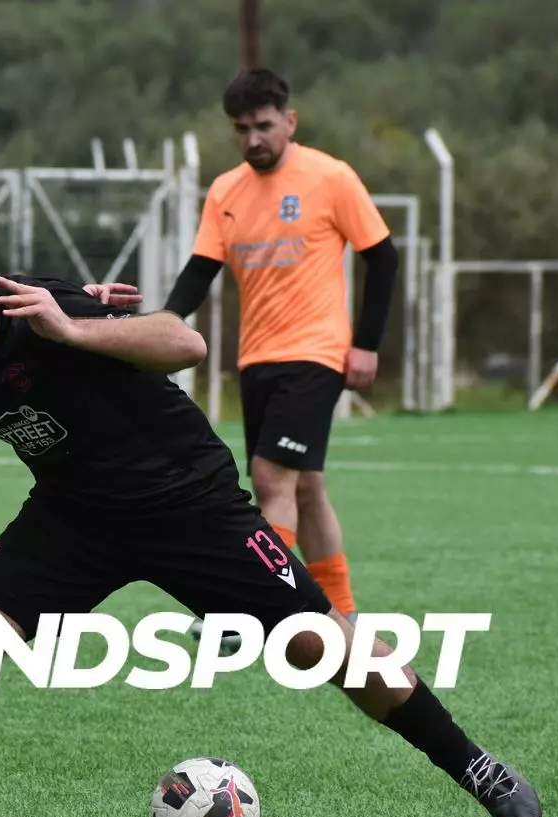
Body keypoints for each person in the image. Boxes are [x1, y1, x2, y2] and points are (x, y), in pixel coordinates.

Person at [0, 216, 540, 817]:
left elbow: (185, 345)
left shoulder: (45, 311)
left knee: (317, 643)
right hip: (75, 515)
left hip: (188, 504)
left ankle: (476, 767)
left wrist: (77, 326)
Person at [163, 67, 401, 627]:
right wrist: (160, 325)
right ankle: (343, 615)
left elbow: (383, 257)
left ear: (289, 121)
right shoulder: (225, 191)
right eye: (241, 129)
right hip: (257, 359)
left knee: (271, 478)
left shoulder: (331, 177)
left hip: (316, 354)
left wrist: (366, 345)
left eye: (264, 126)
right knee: (305, 486)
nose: (253, 139)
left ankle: (243, 609)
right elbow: (200, 271)